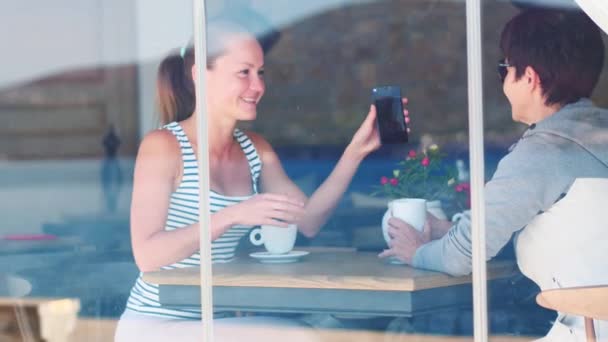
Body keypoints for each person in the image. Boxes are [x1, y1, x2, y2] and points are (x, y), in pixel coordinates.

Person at [114, 17, 409, 342]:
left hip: (216, 322)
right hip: (157, 325)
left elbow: (308, 220)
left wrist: (355, 152)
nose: (258, 86)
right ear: (201, 76)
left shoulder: (254, 148)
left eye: (260, 72)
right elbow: (148, 255)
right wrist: (232, 216)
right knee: (300, 336)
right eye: (244, 72)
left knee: (328, 328)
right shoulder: (164, 146)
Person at [379, 8, 608, 341]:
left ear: (529, 78)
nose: (502, 80)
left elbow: (461, 257)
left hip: (583, 330)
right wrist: (458, 228)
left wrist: (416, 252)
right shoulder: (596, 134)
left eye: (505, 69)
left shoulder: (542, 153)